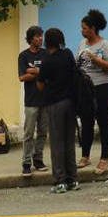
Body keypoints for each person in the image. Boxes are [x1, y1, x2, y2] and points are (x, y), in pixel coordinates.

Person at [36, 28, 79, 194]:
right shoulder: (67, 54)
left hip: (55, 104)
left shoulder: (47, 60)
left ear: (47, 41)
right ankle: (73, 179)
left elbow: (40, 84)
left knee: (57, 143)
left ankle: (60, 181)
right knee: (69, 142)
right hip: (71, 103)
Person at [76, 9, 108, 175]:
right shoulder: (81, 44)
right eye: (82, 28)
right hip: (85, 89)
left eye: (84, 28)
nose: (82, 31)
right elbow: (77, 64)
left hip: (103, 87)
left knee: (103, 121)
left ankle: (104, 159)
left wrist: (96, 59)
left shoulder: (105, 45)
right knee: (86, 122)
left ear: (93, 29)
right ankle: (85, 155)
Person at [18, 25, 48, 176]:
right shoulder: (24, 56)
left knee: (43, 132)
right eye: (37, 36)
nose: (40, 39)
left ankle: (38, 159)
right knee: (29, 133)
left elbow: (49, 74)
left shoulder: (46, 54)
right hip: (31, 101)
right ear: (31, 39)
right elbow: (22, 77)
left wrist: (34, 70)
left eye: (41, 36)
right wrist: (40, 73)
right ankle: (26, 163)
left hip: (45, 100)